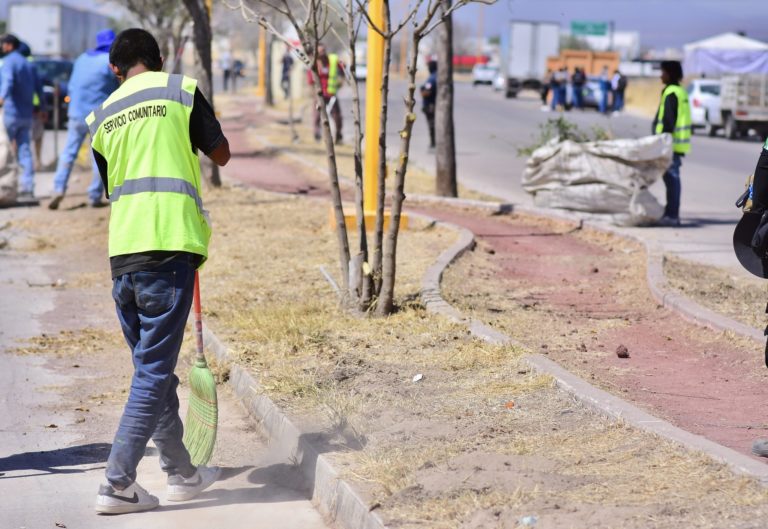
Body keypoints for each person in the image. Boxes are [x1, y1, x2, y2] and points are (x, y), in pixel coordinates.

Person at [87, 28, 231, 514]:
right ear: (160, 58)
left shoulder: (102, 116)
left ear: (114, 70)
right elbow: (221, 153)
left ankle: (181, 474)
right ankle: (117, 483)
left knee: (153, 371)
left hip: (123, 256)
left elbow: (112, 185)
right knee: (152, 374)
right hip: (168, 248)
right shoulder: (180, 91)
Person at [49, 29, 119, 210]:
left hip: (76, 113)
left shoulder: (81, 58)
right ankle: (94, 195)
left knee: (69, 152)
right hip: (99, 116)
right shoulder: (109, 62)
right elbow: (118, 88)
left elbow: (72, 86)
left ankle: (58, 188)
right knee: (99, 156)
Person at [0, 34, 46, 200]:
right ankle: (27, 188)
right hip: (26, 114)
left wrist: (1, 98)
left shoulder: (8, 62)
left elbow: (8, 82)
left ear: (9, 45)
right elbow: (39, 89)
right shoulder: (29, 64)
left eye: (3, 44)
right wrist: (42, 108)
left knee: (4, 148)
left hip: (10, 113)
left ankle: (5, 188)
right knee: (25, 150)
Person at [652, 60, 691, 227]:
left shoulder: (671, 93)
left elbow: (668, 121)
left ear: (670, 74)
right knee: (671, 178)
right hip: (675, 144)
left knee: (672, 178)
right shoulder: (680, 91)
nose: (661, 75)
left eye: (663, 72)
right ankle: (671, 213)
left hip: (669, 144)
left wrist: (661, 143)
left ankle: (672, 215)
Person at [308, 43, 343, 143]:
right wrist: (314, 94)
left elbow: (342, 69)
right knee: (317, 116)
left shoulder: (332, 61)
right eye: (319, 51)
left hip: (331, 94)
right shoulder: (314, 63)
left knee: (337, 116)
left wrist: (341, 82)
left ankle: (338, 136)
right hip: (319, 95)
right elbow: (310, 80)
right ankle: (317, 135)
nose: (322, 53)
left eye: (323, 51)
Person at [18, 42, 46, 171]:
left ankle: (21, 163)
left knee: (21, 138)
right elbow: (39, 88)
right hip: (35, 107)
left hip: (19, 108)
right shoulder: (32, 65)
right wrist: (43, 108)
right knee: (37, 136)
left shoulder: (13, 63)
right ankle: (37, 162)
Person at [420, 59, 437, 150]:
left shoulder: (432, 78)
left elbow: (427, 92)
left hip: (431, 106)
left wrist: (422, 90)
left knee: (432, 125)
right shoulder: (438, 76)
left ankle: (434, 143)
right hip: (435, 105)